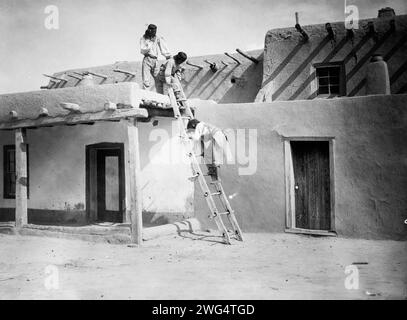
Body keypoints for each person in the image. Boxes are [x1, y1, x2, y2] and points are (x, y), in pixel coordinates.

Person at [140, 24, 171, 90]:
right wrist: (150, 42)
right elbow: (143, 50)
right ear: (149, 30)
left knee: (158, 79)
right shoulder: (143, 38)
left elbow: (163, 48)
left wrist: (168, 56)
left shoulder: (157, 38)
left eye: (155, 31)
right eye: (153, 31)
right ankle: (146, 98)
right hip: (147, 59)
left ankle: (162, 97)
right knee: (146, 81)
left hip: (155, 60)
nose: (154, 33)